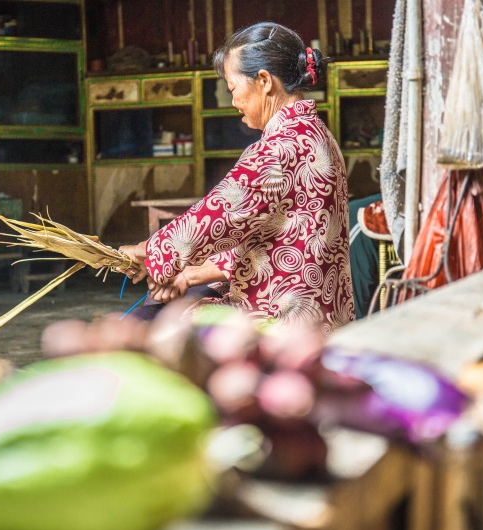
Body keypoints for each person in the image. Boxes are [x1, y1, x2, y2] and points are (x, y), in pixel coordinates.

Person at [120, 22, 355, 333]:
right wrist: (190, 273)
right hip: (321, 312)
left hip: (282, 322)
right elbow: (270, 231)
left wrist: (148, 251)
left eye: (233, 88)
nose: (233, 102)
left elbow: (220, 212)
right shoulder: (316, 134)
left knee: (149, 327)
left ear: (263, 81)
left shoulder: (280, 147)